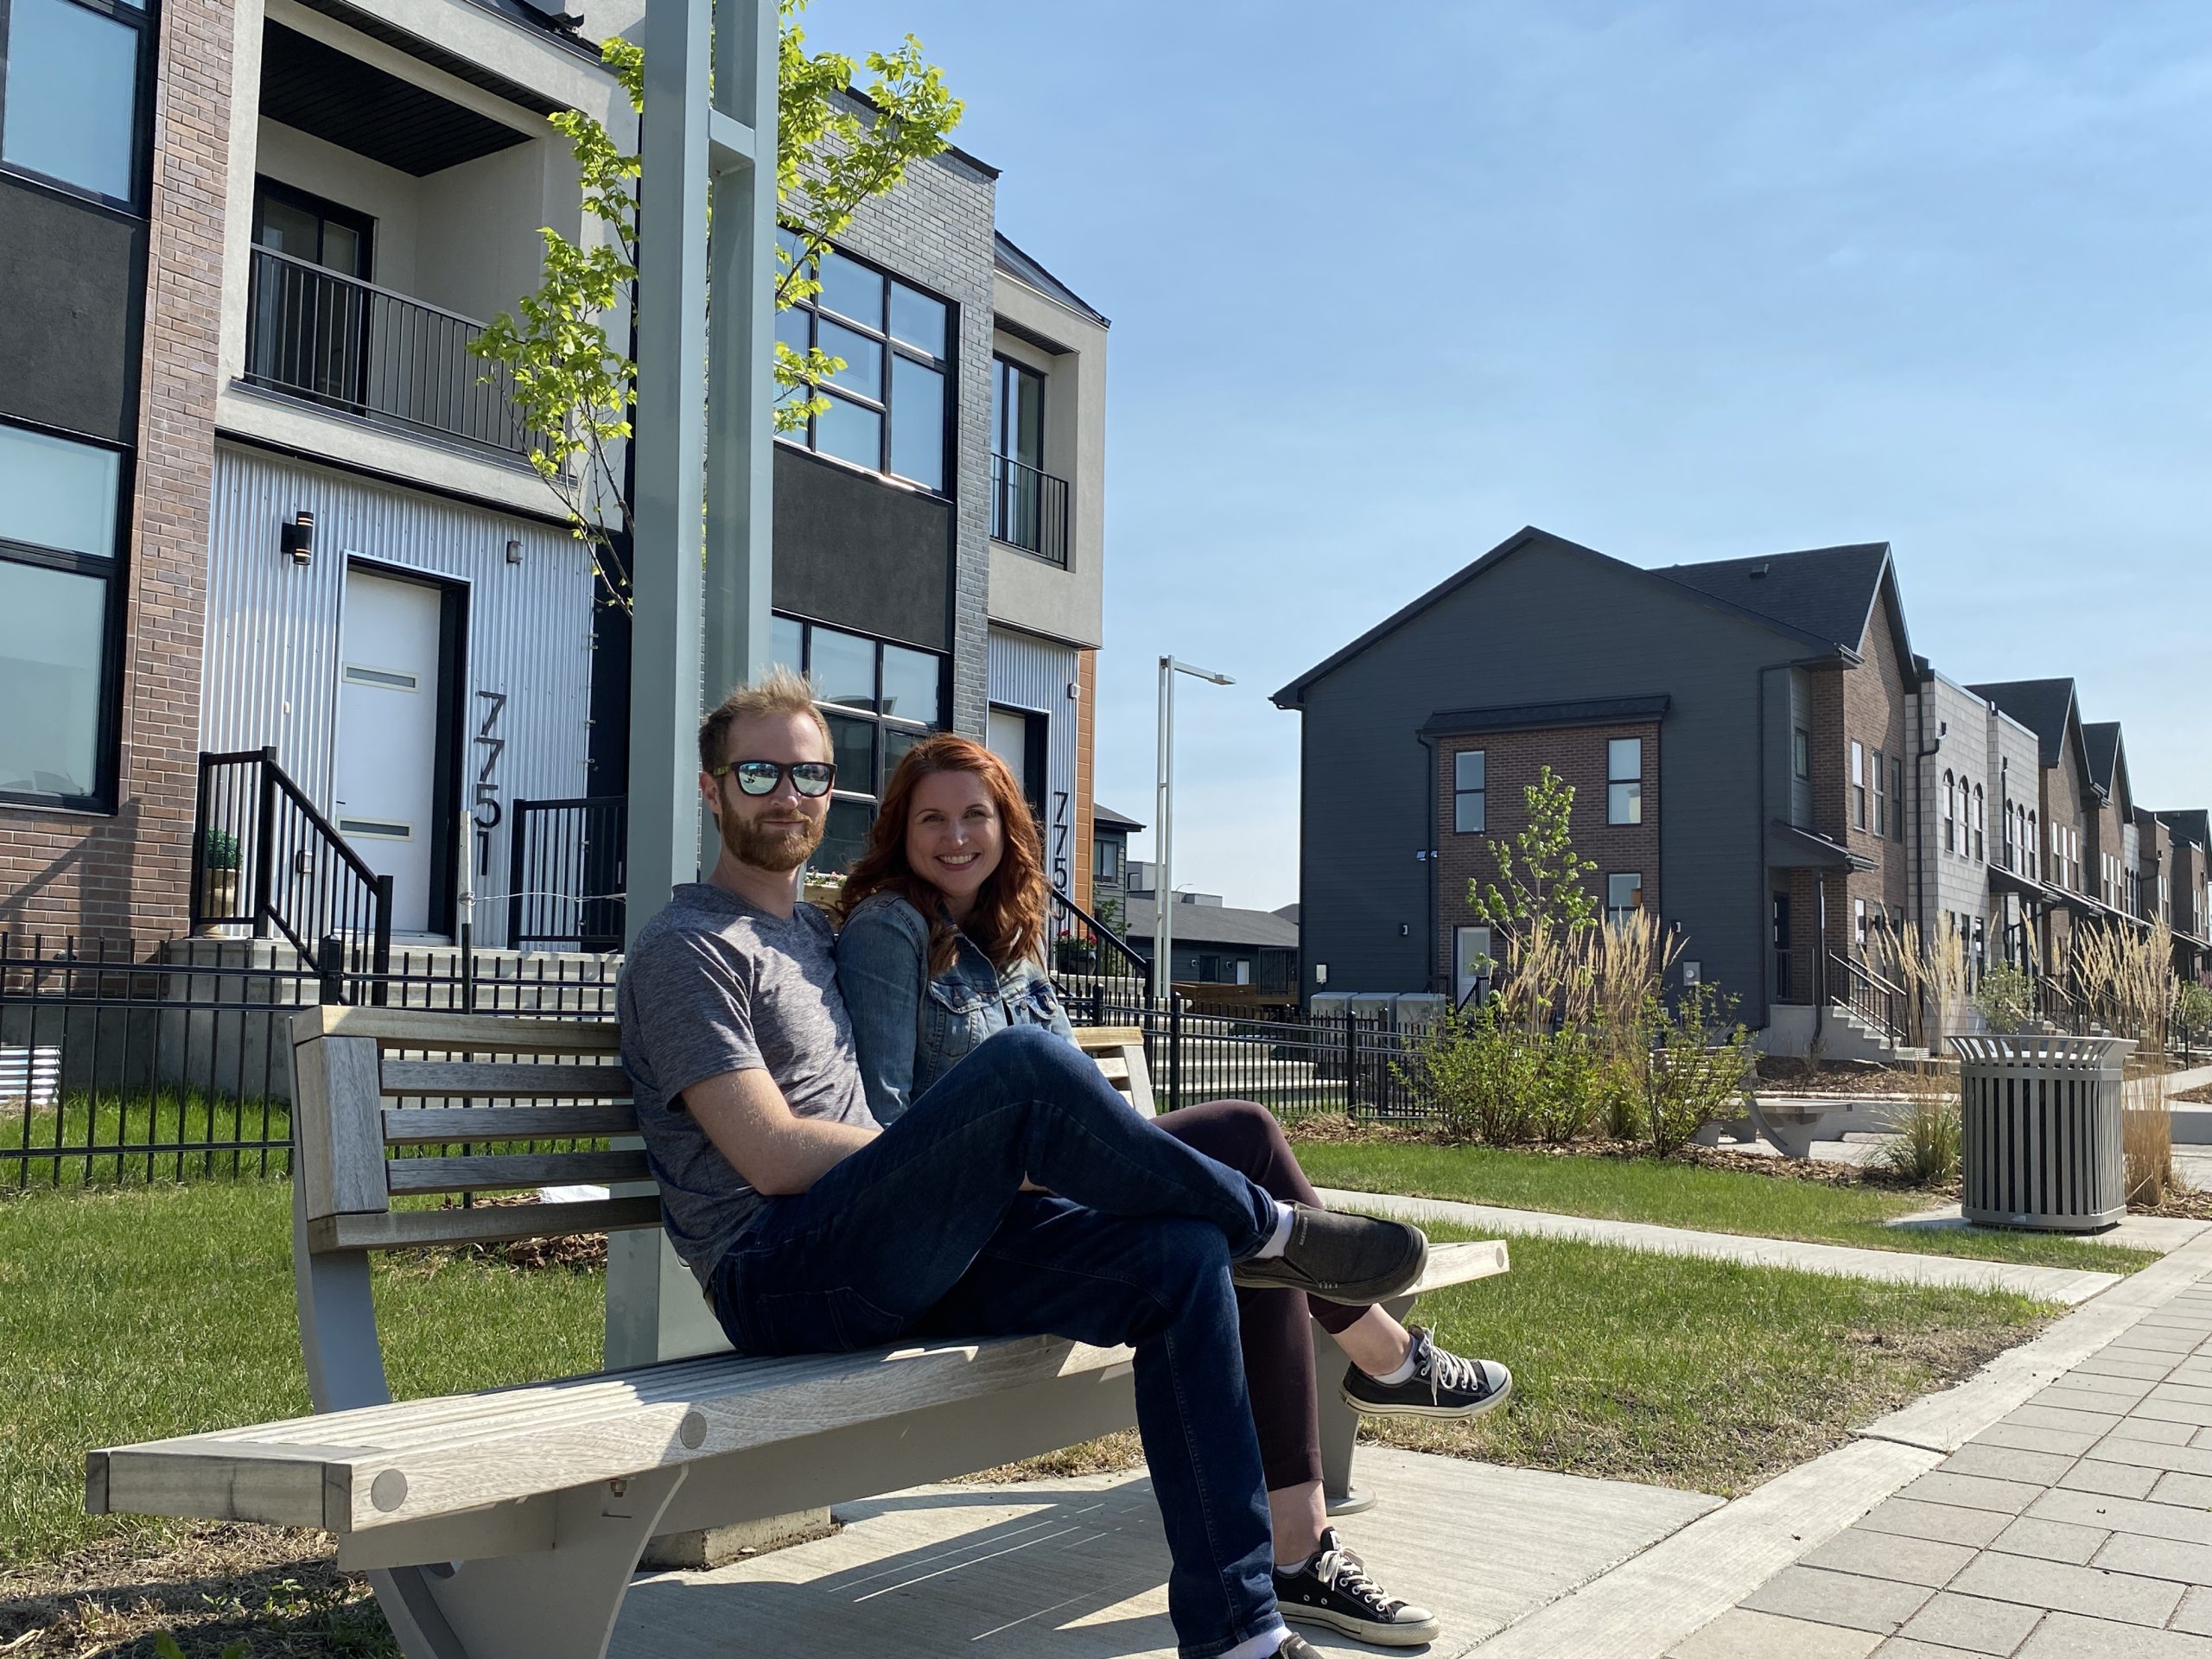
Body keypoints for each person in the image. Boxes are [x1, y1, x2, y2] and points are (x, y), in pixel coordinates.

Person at [618, 671, 1437, 1659]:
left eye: (810, 774)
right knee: (1024, 1075)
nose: (787, 795)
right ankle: (1274, 1227)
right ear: (712, 790)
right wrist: (962, 1155)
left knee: (1183, 1258)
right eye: (759, 773)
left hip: (901, 1253)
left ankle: (1240, 1633)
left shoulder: (817, 930)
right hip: (781, 1269)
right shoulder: (686, 948)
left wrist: (969, 1169)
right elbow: (772, 1154)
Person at [834, 734, 1513, 1649]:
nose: (955, 837)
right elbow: (891, 1129)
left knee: (1244, 1206)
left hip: (1059, 1199)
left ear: (1007, 829)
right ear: (900, 832)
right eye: (932, 819)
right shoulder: (890, 929)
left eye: (975, 816)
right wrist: (1061, 1159)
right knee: (1244, 1155)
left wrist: (1098, 1162)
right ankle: (1383, 1360)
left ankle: (1303, 1537)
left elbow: (1075, 1104)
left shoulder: (1015, 953)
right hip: (969, 1229)